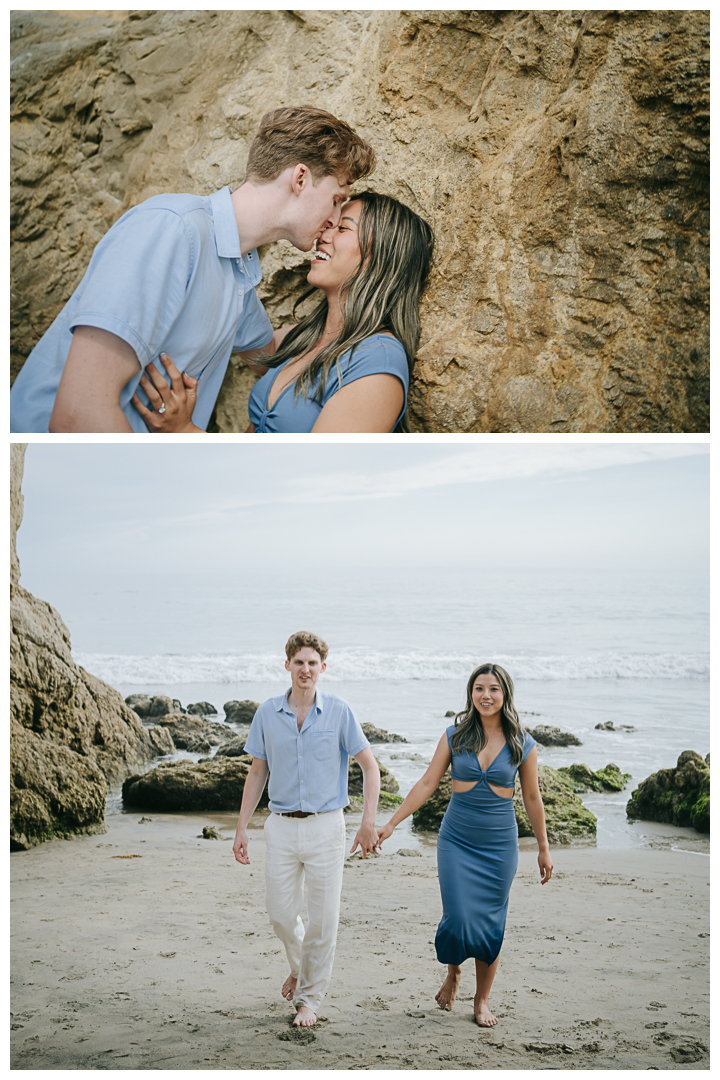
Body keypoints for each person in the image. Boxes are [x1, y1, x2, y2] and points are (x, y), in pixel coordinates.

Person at [10, 106, 375, 433]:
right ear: (299, 178)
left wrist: (361, 323)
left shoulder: (240, 271)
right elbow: (79, 415)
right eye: (337, 199)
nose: (333, 219)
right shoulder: (171, 229)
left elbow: (268, 355)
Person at [134, 190, 434, 433]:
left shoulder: (377, 360)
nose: (324, 234)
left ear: (383, 256)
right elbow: (252, 345)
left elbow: (317, 482)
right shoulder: (306, 338)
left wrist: (183, 433)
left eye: (342, 227)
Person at [376, 663, 553, 1028]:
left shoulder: (523, 742)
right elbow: (427, 784)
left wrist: (544, 847)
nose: (485, 695)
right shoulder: (455, 736)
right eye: (478, 688)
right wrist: (392, 823)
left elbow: (533, 798)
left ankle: (481, 999)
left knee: (490, 925)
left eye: (493, 689)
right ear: (470, 694)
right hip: (456, 840)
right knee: (457, 919)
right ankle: (454, 971)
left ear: (505, 695)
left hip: (499, 846)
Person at [232, 631, 380, 1028]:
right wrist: (241, 826)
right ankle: (300, 967)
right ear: (288, 665)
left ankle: (309, 1000)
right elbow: (258, 770)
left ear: (323, 669)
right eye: (299, 662)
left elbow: (370, 767)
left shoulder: (339, 711)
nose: (306, 669)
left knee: (323, 917)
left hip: (326, 827)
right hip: (279, 826)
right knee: (280, 915)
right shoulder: (267, 713)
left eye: (313, 663)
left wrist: (368, 822)